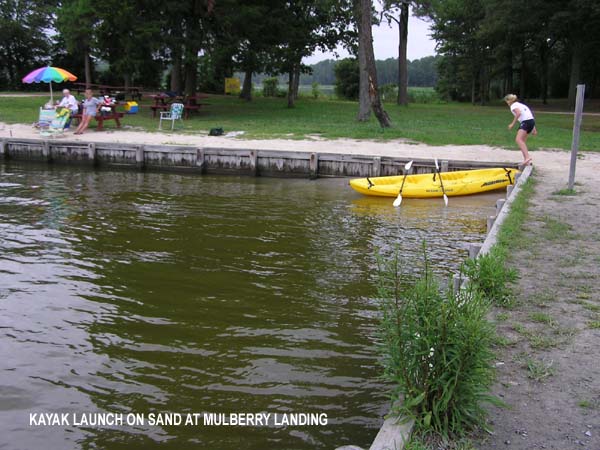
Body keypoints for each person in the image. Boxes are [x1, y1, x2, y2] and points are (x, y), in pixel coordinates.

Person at [504, 94, 537, 166]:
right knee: (522, 141)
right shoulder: (521, 105)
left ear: (509, 101)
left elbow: (518, 113)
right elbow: (529, 114)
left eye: (506, 101)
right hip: (531, 121)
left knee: (518, 140)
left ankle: (527, 157)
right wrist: (534, 128)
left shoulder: (513, 106)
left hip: (526, 122)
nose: (507, 103)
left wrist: (512, 124)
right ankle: (527, 161)